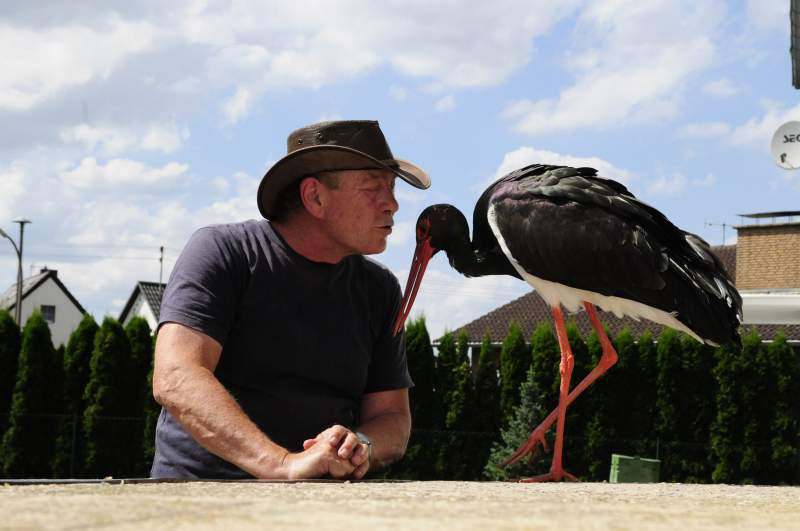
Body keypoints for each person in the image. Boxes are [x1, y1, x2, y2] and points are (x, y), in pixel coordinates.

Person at [150, 120, 431, 479]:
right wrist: (281, 464)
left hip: (322, 504)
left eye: (391, 189)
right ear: (314, 197)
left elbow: (391, 417)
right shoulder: (223, 253)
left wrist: (360, 445)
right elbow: (176, 376)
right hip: (202, 498)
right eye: (374, 187)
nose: (392, 205)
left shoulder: (379, 289)